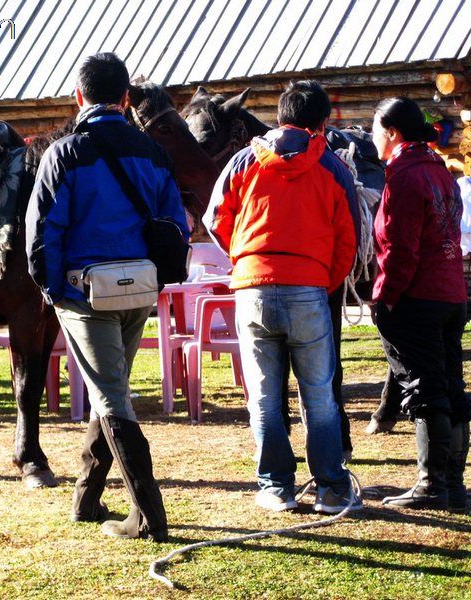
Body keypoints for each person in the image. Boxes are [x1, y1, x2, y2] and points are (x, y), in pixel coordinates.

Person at [25, 52, 189, 541]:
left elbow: (42, 234)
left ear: (79, 97)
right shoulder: (154, 152)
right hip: (138, 289)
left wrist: (53, 290)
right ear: (125, 99)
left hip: (83, 294)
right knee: (109, 389)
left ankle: (148, 516)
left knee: (112, 397)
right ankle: (86, 500)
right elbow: (175, 225)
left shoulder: (65, 154)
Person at [204, 80, 362, 514]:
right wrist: (322, 280)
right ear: (324, 123)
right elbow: (349, 236)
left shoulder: (243, 161)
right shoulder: (332, 167)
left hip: (253, 289)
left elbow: (216, 219)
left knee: (264, 396)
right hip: (309, 289)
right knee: (318, 394)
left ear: (280, 117)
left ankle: (276, 488)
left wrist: (244, 259)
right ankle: (331, 487)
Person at [370, 97, 469, 511]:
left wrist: (385, 298)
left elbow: (399, 247)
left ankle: (432, 485)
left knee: (425, 388)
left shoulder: (404, 176)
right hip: (450, 291)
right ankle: (452, 484)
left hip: (418, 295)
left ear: (391, 132)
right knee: (449, 383)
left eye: (376, 129)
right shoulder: (439, 171)